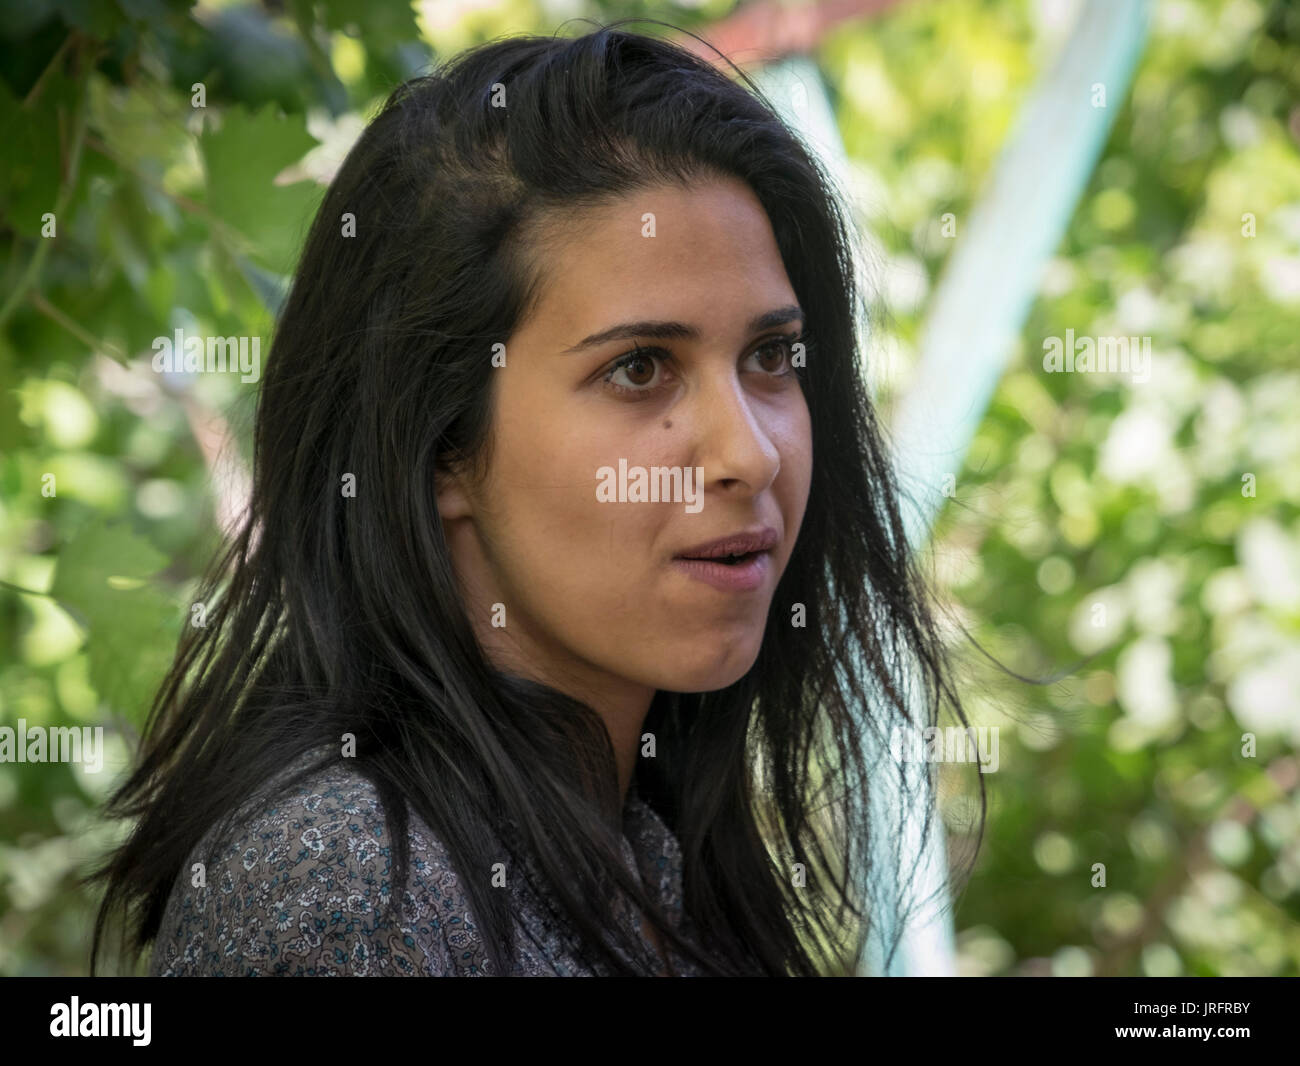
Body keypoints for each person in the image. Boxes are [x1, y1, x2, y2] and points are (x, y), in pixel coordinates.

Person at [86, 19, 982, 977]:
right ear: (440, 449)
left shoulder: (643, 852)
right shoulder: (347, 894)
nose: (750, 455)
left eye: (769, 356)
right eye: (640, 368)